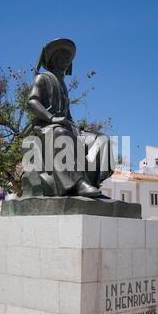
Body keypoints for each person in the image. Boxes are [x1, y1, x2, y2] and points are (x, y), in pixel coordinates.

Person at [25, 38, 113, 198]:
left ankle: (93, 182)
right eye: (62, 57)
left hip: (65, 125)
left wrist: (76, 129)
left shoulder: (63, 85)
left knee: (102, 141)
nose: (66, 61)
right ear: (53, 59)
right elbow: (32, 101)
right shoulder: (42, 78)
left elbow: (67, 114)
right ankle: (77, 184)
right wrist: (51, 118)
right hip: (46, 127)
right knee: (61, 135)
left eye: (68, 58)